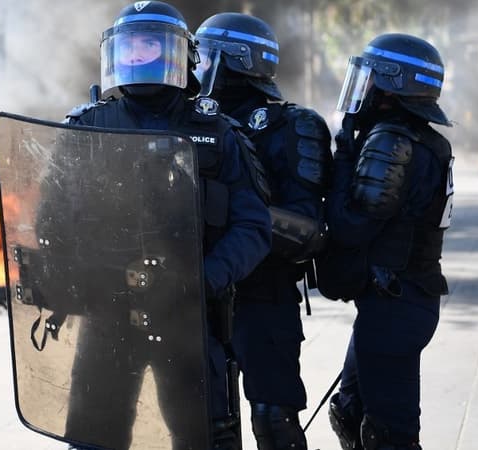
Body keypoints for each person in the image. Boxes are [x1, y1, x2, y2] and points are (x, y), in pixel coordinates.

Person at [58, 2, 272, 448]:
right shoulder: (87, 127)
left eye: (151, 47)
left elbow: (253, 227)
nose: (139, 58)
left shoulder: (218, 132)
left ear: (180, 55)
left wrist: (202, 282)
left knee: (204, 438)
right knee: (94, 436)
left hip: (190, 318)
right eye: (130, 48)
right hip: (107, 316)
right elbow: (53, 220)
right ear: (114, 55)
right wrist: (70, 280)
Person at [194, 13, 333, 450]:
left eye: (202, 57)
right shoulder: (189, 122)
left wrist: (236, 219)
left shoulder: (292, 125)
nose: (193, 68)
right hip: (199, 291)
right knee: (199, 419)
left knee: (274, 419)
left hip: (263, 292)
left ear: (233, 60)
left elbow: (308, 230)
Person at [325, 34, 454, 450]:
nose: (361, 88)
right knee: (350, 410)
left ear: (391, 85)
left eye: (370, 78)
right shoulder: (421, 138)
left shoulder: (391, 140)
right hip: (398, 301)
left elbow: (350, 227)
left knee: (390, 437)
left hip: (395, 306)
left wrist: (344, 152)